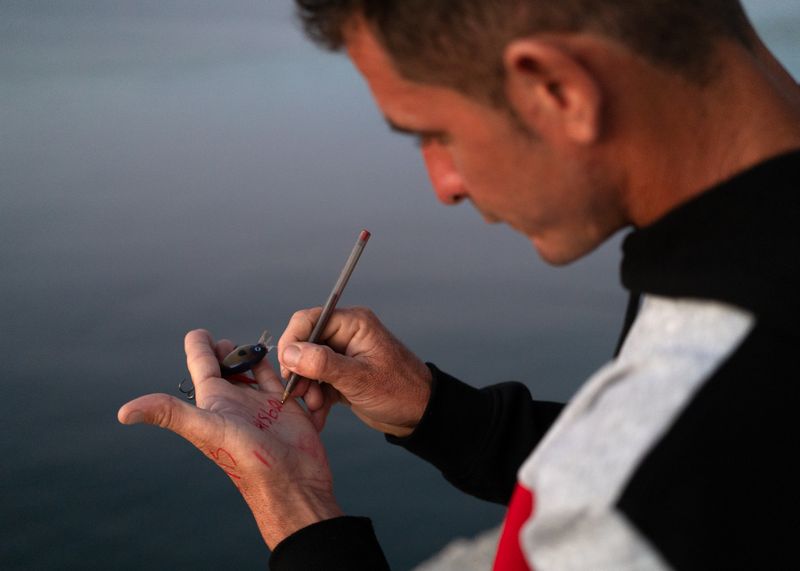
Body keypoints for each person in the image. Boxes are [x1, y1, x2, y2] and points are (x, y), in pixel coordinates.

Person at [118, 1, 800, 569]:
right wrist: (436, 412)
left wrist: (299, 508)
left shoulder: (635, 492)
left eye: (434, 133)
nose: (444, 186)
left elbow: (655, 468)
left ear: (557, 90)